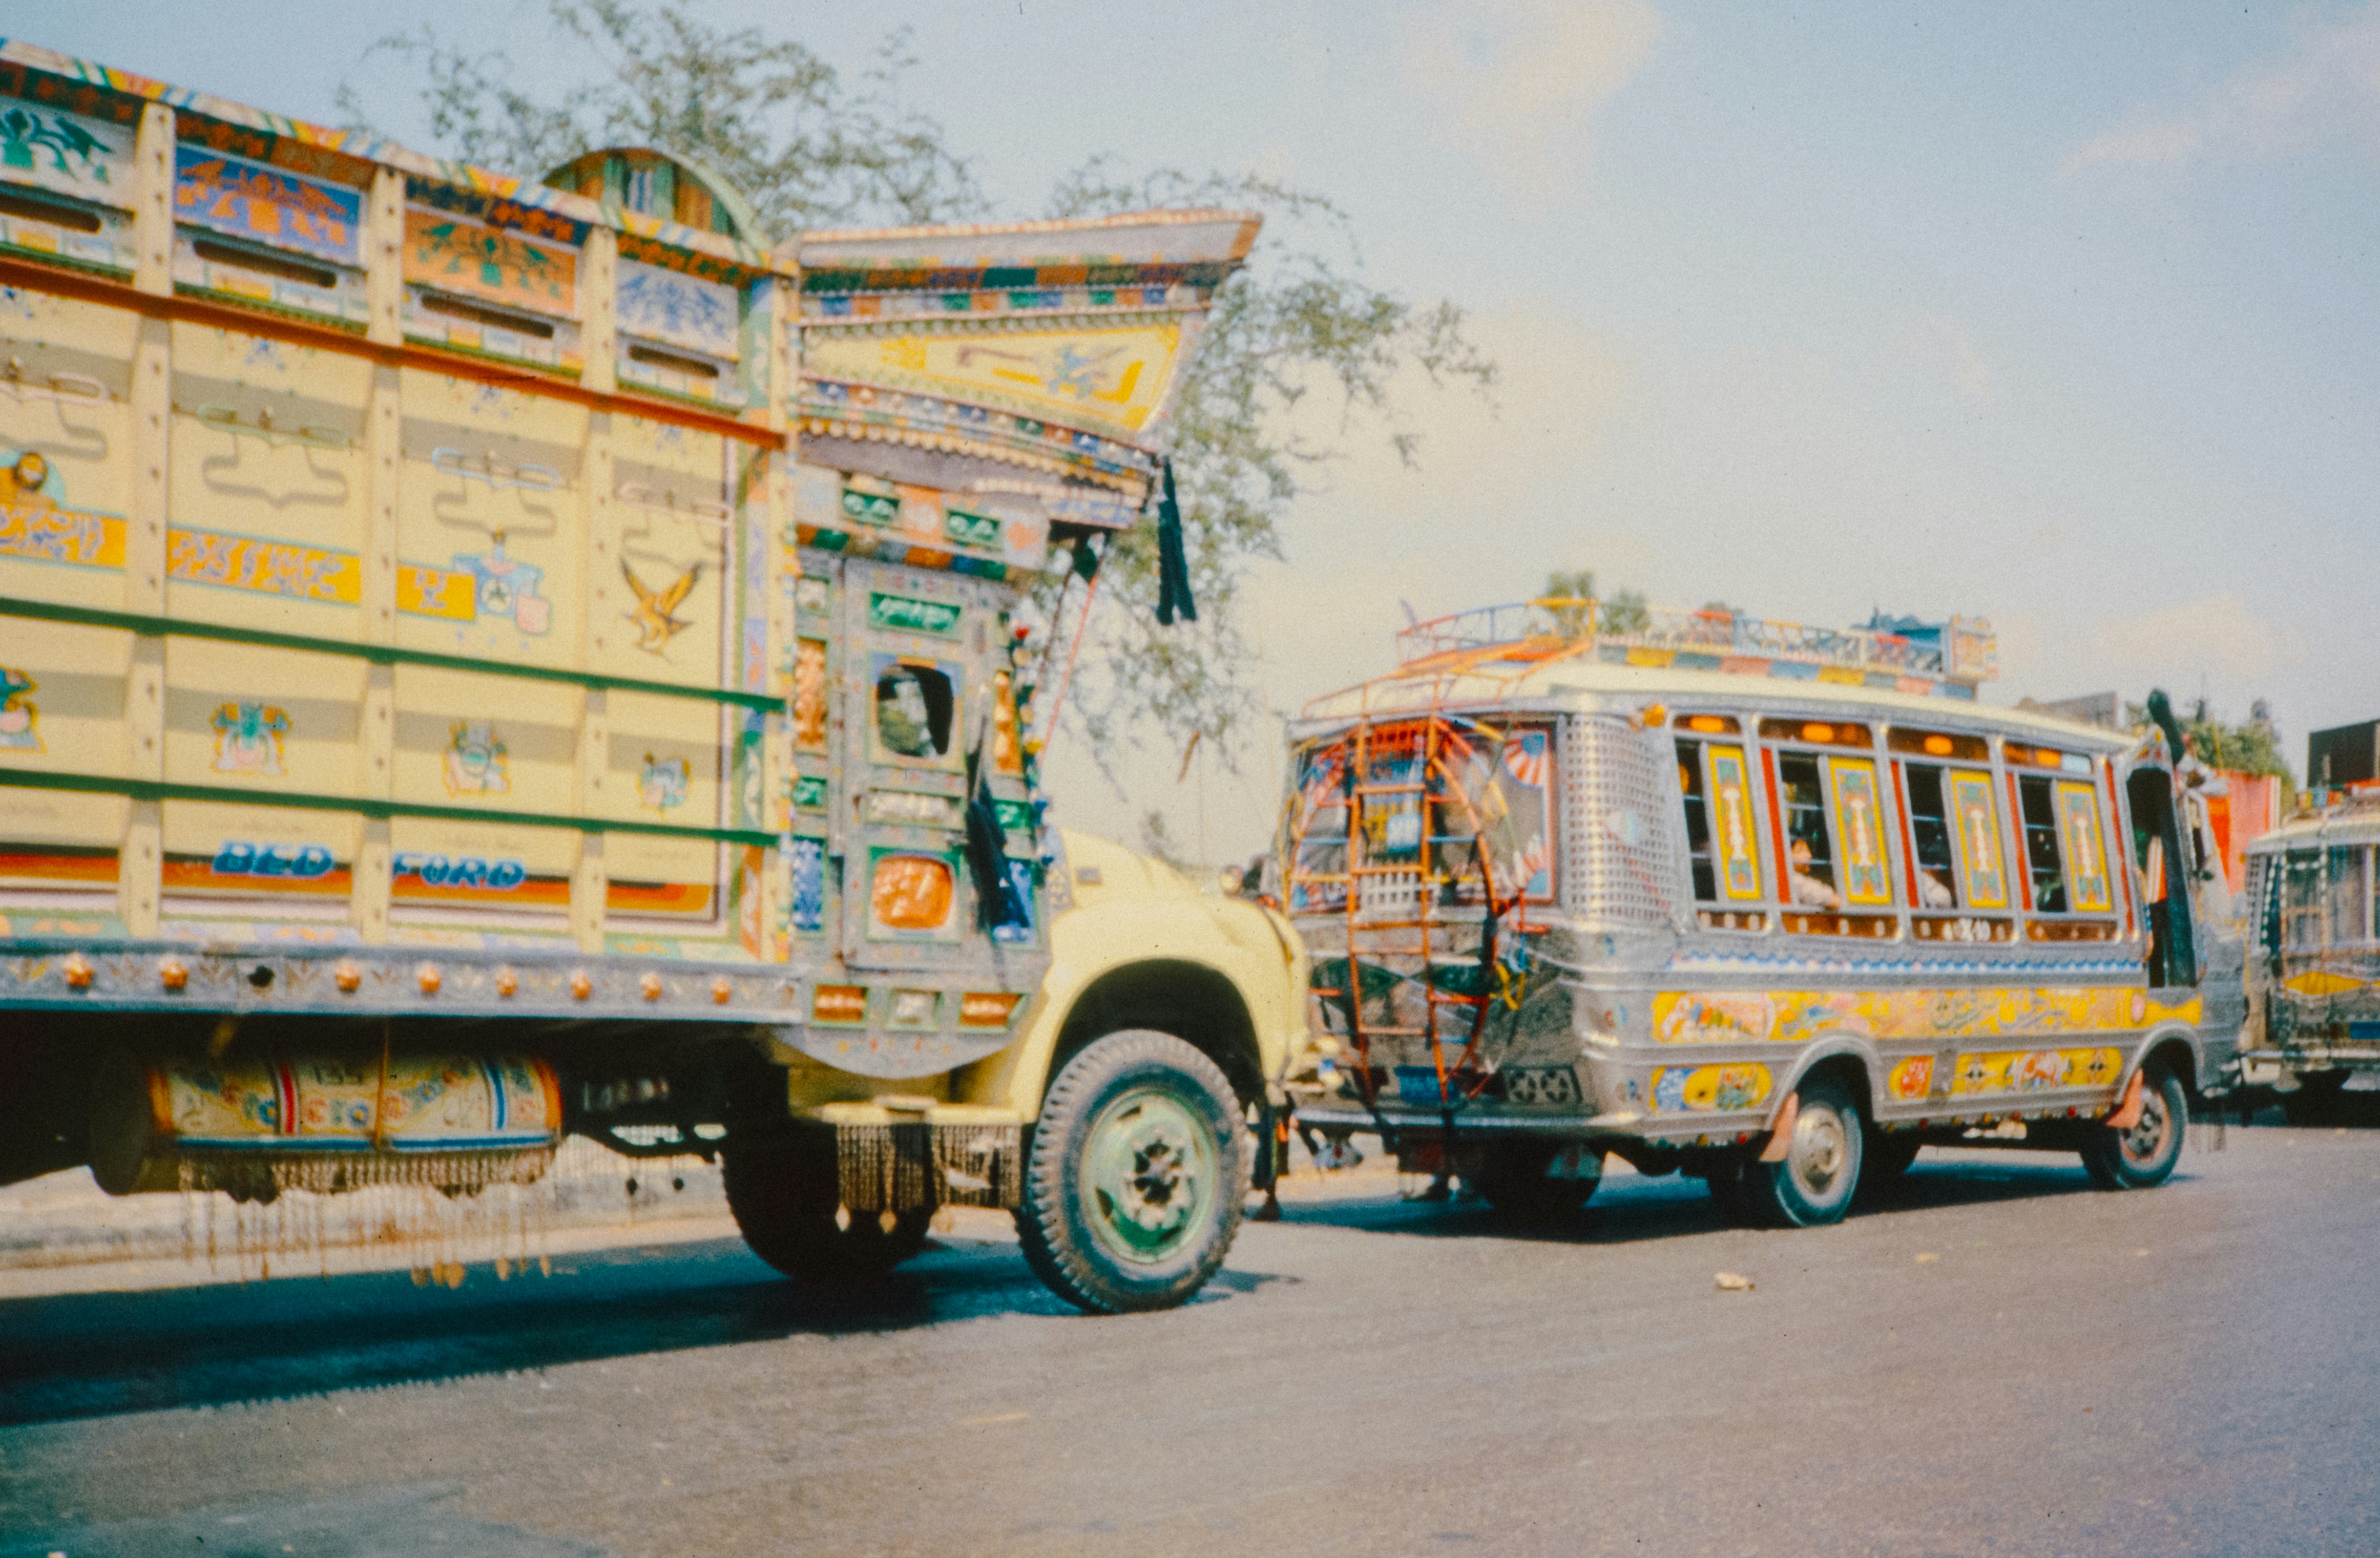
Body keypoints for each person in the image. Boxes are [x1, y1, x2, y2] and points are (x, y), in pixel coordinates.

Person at [1789, 837, 1843, 909]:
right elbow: (1809, 891)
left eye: (1808, 851)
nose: (1809, 856)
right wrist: (1830, 898)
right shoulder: (1792, 879)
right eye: (1800, 851)